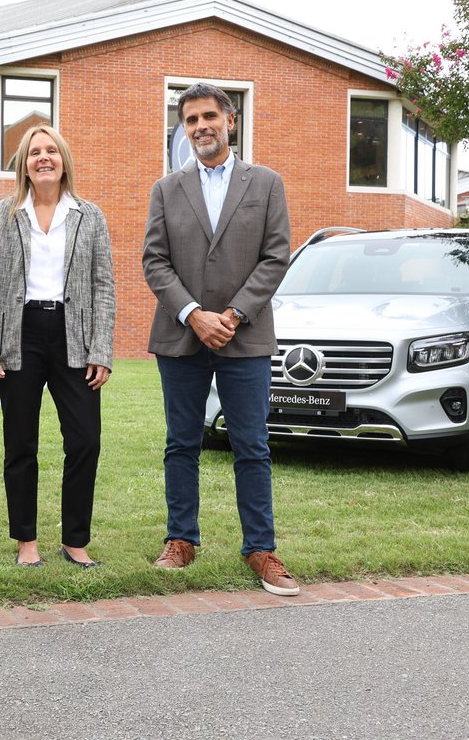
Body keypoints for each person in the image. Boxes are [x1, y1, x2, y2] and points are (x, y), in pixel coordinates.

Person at [141, 82, 299, 595]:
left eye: (209, 116)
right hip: (181, 335)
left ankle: (261, 548)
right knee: (181, 443)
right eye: (190, 120)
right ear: (182, 128)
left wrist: (231, 314)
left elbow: (276, 256)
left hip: (245, 335)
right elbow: (155, 261)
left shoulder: (267, 183)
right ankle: (181, 539)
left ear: (230, 120)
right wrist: (193, 314)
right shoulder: (166, 189)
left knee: (251, 445)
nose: (200, 126)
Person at [0, 125, 115, 569]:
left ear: (64, 159)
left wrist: (101, 349)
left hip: (75, 336)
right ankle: (26, 542)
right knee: (20, 444)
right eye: (35, 152)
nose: (44, 158)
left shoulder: (89, 216)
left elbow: (103, 286)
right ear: (24, 164)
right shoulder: (3, 214)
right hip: (19, 334)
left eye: (52, 150)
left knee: (85, 440)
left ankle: (75, 540)